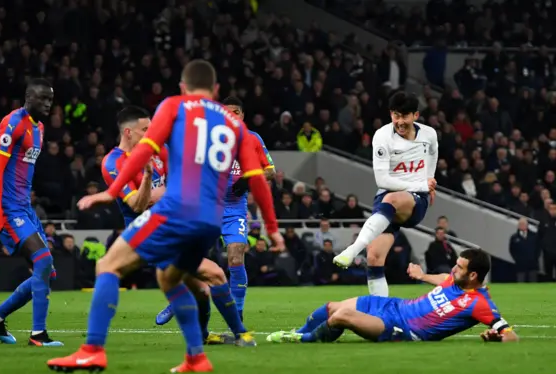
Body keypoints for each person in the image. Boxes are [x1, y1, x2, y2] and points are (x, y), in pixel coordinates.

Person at [47, 59, 283, 374]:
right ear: (215, 91)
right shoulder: (236, 127)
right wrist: (272, 228)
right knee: (170, 278)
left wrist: (110, 190)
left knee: (107, 265)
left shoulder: (175, 106)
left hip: (178, 210)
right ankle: (196, 358)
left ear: (184, 87)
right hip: (211, 218)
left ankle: (92, 350)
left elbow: (144, 149)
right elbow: (258, 179)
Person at [104, 106, 256, 346]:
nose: (152, 132)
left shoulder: (159, 152)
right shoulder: (113, 162)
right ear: (128, 132)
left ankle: (202, 335)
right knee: (215, 273)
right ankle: (241, 335)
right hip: (148, 235)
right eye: (146, 129)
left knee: (203, 290)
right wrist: (147, 179)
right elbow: (137, 205)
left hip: (171, 228)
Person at [155, 96, 275, 333]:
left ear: (243, 115)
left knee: (236, 257)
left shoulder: (253, 139)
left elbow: (270, 171)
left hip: (234, 210)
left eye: (236, 112)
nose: (232, 116)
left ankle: (237, 315)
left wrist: (247, 181)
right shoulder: (210, 138)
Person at [268, 249, 519, 344]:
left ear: (474, 275)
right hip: (393, 305)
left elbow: (511, 336)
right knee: (331, 307)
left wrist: (497, 339)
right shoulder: (454, 279)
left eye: (460, 267)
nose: (454, 269)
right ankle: (299, 332)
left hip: (401, 328)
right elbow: (443, 278)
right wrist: (422, 276)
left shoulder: (480, 304)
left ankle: (305, 341)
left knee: (342, 315)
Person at [0, 78, 62, 347]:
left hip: (23, 206)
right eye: (43, 99)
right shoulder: (12, 123)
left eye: (51, 99)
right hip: (7, 206)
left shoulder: (38, 128)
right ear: (28, 98)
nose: (48, 104)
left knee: (46, 272)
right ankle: (38, 335)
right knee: (43, 260)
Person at [334, 92, 438, 298]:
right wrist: (422, 183)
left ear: (416, 115)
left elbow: (433, 153)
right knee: (374, 257)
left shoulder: (429, 134)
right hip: (388, 198)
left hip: (414, 200)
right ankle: (379, 316)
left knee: (391, 199)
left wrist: (429, 182)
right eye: (395, 116)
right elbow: (382, 181)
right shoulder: (382, 136)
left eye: (404, 116)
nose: (399, 122)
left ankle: (354, 249)